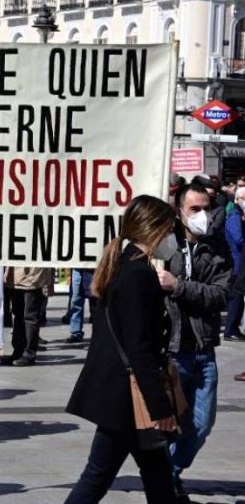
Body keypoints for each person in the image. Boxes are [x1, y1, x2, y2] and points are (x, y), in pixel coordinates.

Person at [66, 195, 179, 503]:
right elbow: (139, 348)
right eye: (170, 230)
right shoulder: (138, 274)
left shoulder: (123, 264)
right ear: (154, 229)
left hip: (119, 392)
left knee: (156, 472)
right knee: (97, 477)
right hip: (126, 398)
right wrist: (160, 407)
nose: (172, 238)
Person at [163, 183, 230, 503]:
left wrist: (178, 287)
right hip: (172, 351)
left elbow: (220, 295)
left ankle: (169, 472)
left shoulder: (216, 248)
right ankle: (166, 480)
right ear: (179, 211)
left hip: (204, 350)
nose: (203, 215)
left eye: (207, 208)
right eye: (195, 209)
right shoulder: (165, 247)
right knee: (166, 427)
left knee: (201, 425)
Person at [3, 267, 51, 366]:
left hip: (32, 277)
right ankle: (18, 351)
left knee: (30, 316)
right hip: (16, 278)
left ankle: (29, 353)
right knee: (18, 315)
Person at [224, 187, 245, 341]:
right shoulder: (234, 217)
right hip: (236, 263)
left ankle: (234, 328)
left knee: (239, 296)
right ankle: (230, 329)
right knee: (236, 297)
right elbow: (238, 240)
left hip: (239, 262)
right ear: (237, 199)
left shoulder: (239, 216)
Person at [66, 269, 94, 343]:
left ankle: (97, 330)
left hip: (93, 267)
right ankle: (76, 332)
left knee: (95, 299)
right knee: (76, 299)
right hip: (78, 268)